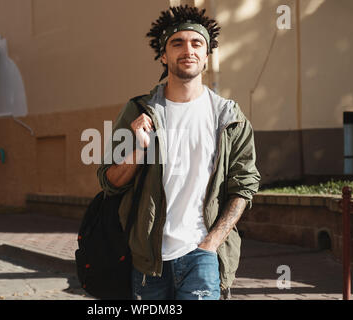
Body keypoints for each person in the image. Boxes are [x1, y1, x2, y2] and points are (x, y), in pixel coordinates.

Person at [97, 5, 261, 300]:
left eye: (197, 43)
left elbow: (245, 186)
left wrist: (211, 243)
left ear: (207, 54)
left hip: (202, 257)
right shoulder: (138, 110)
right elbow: (109, 181)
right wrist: (138, 148)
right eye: (178, 43)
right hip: (148, 260)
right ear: (163, 55)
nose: (188, 50)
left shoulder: (229, 117)